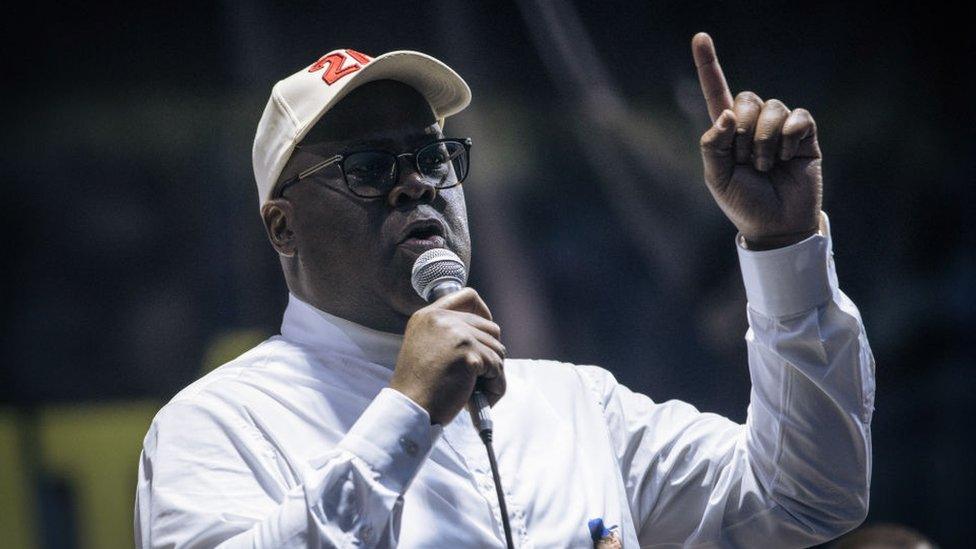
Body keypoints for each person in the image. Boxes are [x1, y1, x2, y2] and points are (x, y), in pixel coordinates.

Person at [135, 34, 875, 547]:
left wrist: (783, 248)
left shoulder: (576, 406)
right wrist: (406, 412)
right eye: (367, 167)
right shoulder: (217, 425)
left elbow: (808, 496)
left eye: (432, 154)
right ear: (283, 227)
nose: (416, 184)